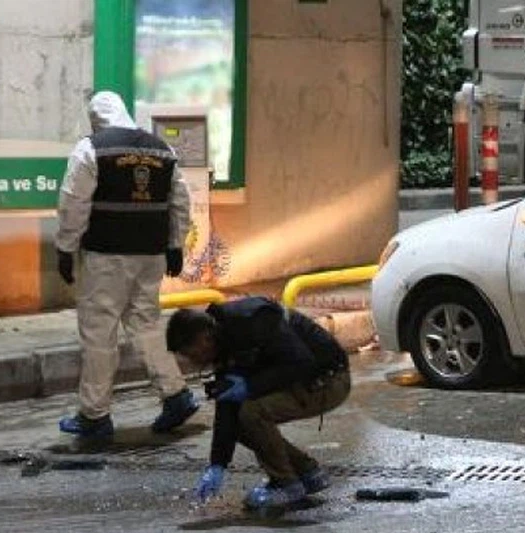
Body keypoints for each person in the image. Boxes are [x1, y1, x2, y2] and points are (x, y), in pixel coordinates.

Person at [54, 91, 197, 438]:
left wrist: (64, 247)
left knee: (100, 332)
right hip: (150, 256)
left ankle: (94, 415)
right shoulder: (162, 150)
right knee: (145, 324)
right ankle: (176, 394)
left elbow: (74, 203)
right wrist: (175, 245)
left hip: (107, 256)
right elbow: (180, 201)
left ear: (97, 119)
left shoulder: (91, 148)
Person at [166, 297, 352, 510]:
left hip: (329, 380)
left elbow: (302, 362)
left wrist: (251, 386)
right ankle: (306, 472)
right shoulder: (224, 338)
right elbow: (227, 407)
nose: (192, 362)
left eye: (191, 354)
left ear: (203, 339)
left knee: (252, 411)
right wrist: (217, 464)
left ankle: (286, 484)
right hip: (302, 380)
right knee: (240, 417)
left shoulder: (253, 321)